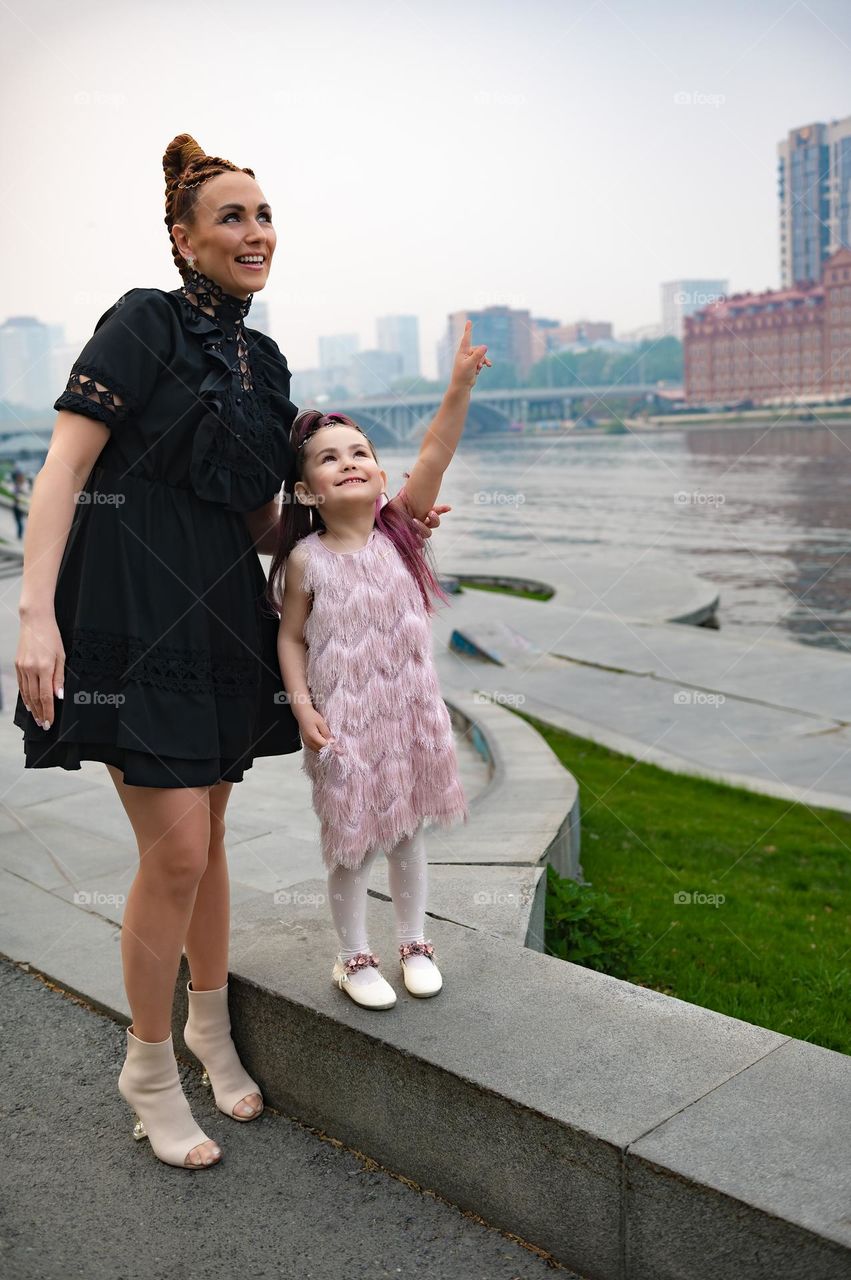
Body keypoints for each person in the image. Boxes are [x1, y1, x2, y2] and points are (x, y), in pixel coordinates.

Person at [11, 132, 449, 1170]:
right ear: (183, 237)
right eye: (231, 218)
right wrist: (34, 613)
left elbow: (261, 519)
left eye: (263, 217)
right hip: (122, 604)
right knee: (172, 850)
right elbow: (64, 469)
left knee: (204, 839)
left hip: (222, 612)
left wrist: (368, 532)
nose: (254, 233)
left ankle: (209, 1023)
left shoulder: (269, 363)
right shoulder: (141, 322)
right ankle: (149, 1065)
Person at [271, 320, 491, 1010]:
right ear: (306, 492)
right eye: (328, 458)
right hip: (344, 722)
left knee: (406, 831)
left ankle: (414, 941)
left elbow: (437, 449)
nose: (348, 462)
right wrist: (303, 707)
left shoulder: (401, 530)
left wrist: (457, 385)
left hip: (409, 713)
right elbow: (290, 638)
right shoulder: (306, 560)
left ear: (380, 473)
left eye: (358, 451)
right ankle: (352, 956)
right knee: (351, 843)